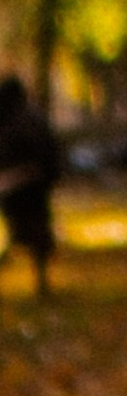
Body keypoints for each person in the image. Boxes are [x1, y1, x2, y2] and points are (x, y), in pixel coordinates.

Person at [0, 74, 62, 300]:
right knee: (36, 230)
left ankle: (38, 275)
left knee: (25, 228)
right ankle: (41, 278)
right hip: (34, 184)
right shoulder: (33, 118)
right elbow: (50, 152)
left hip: (18, 184)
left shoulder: (11, 121)